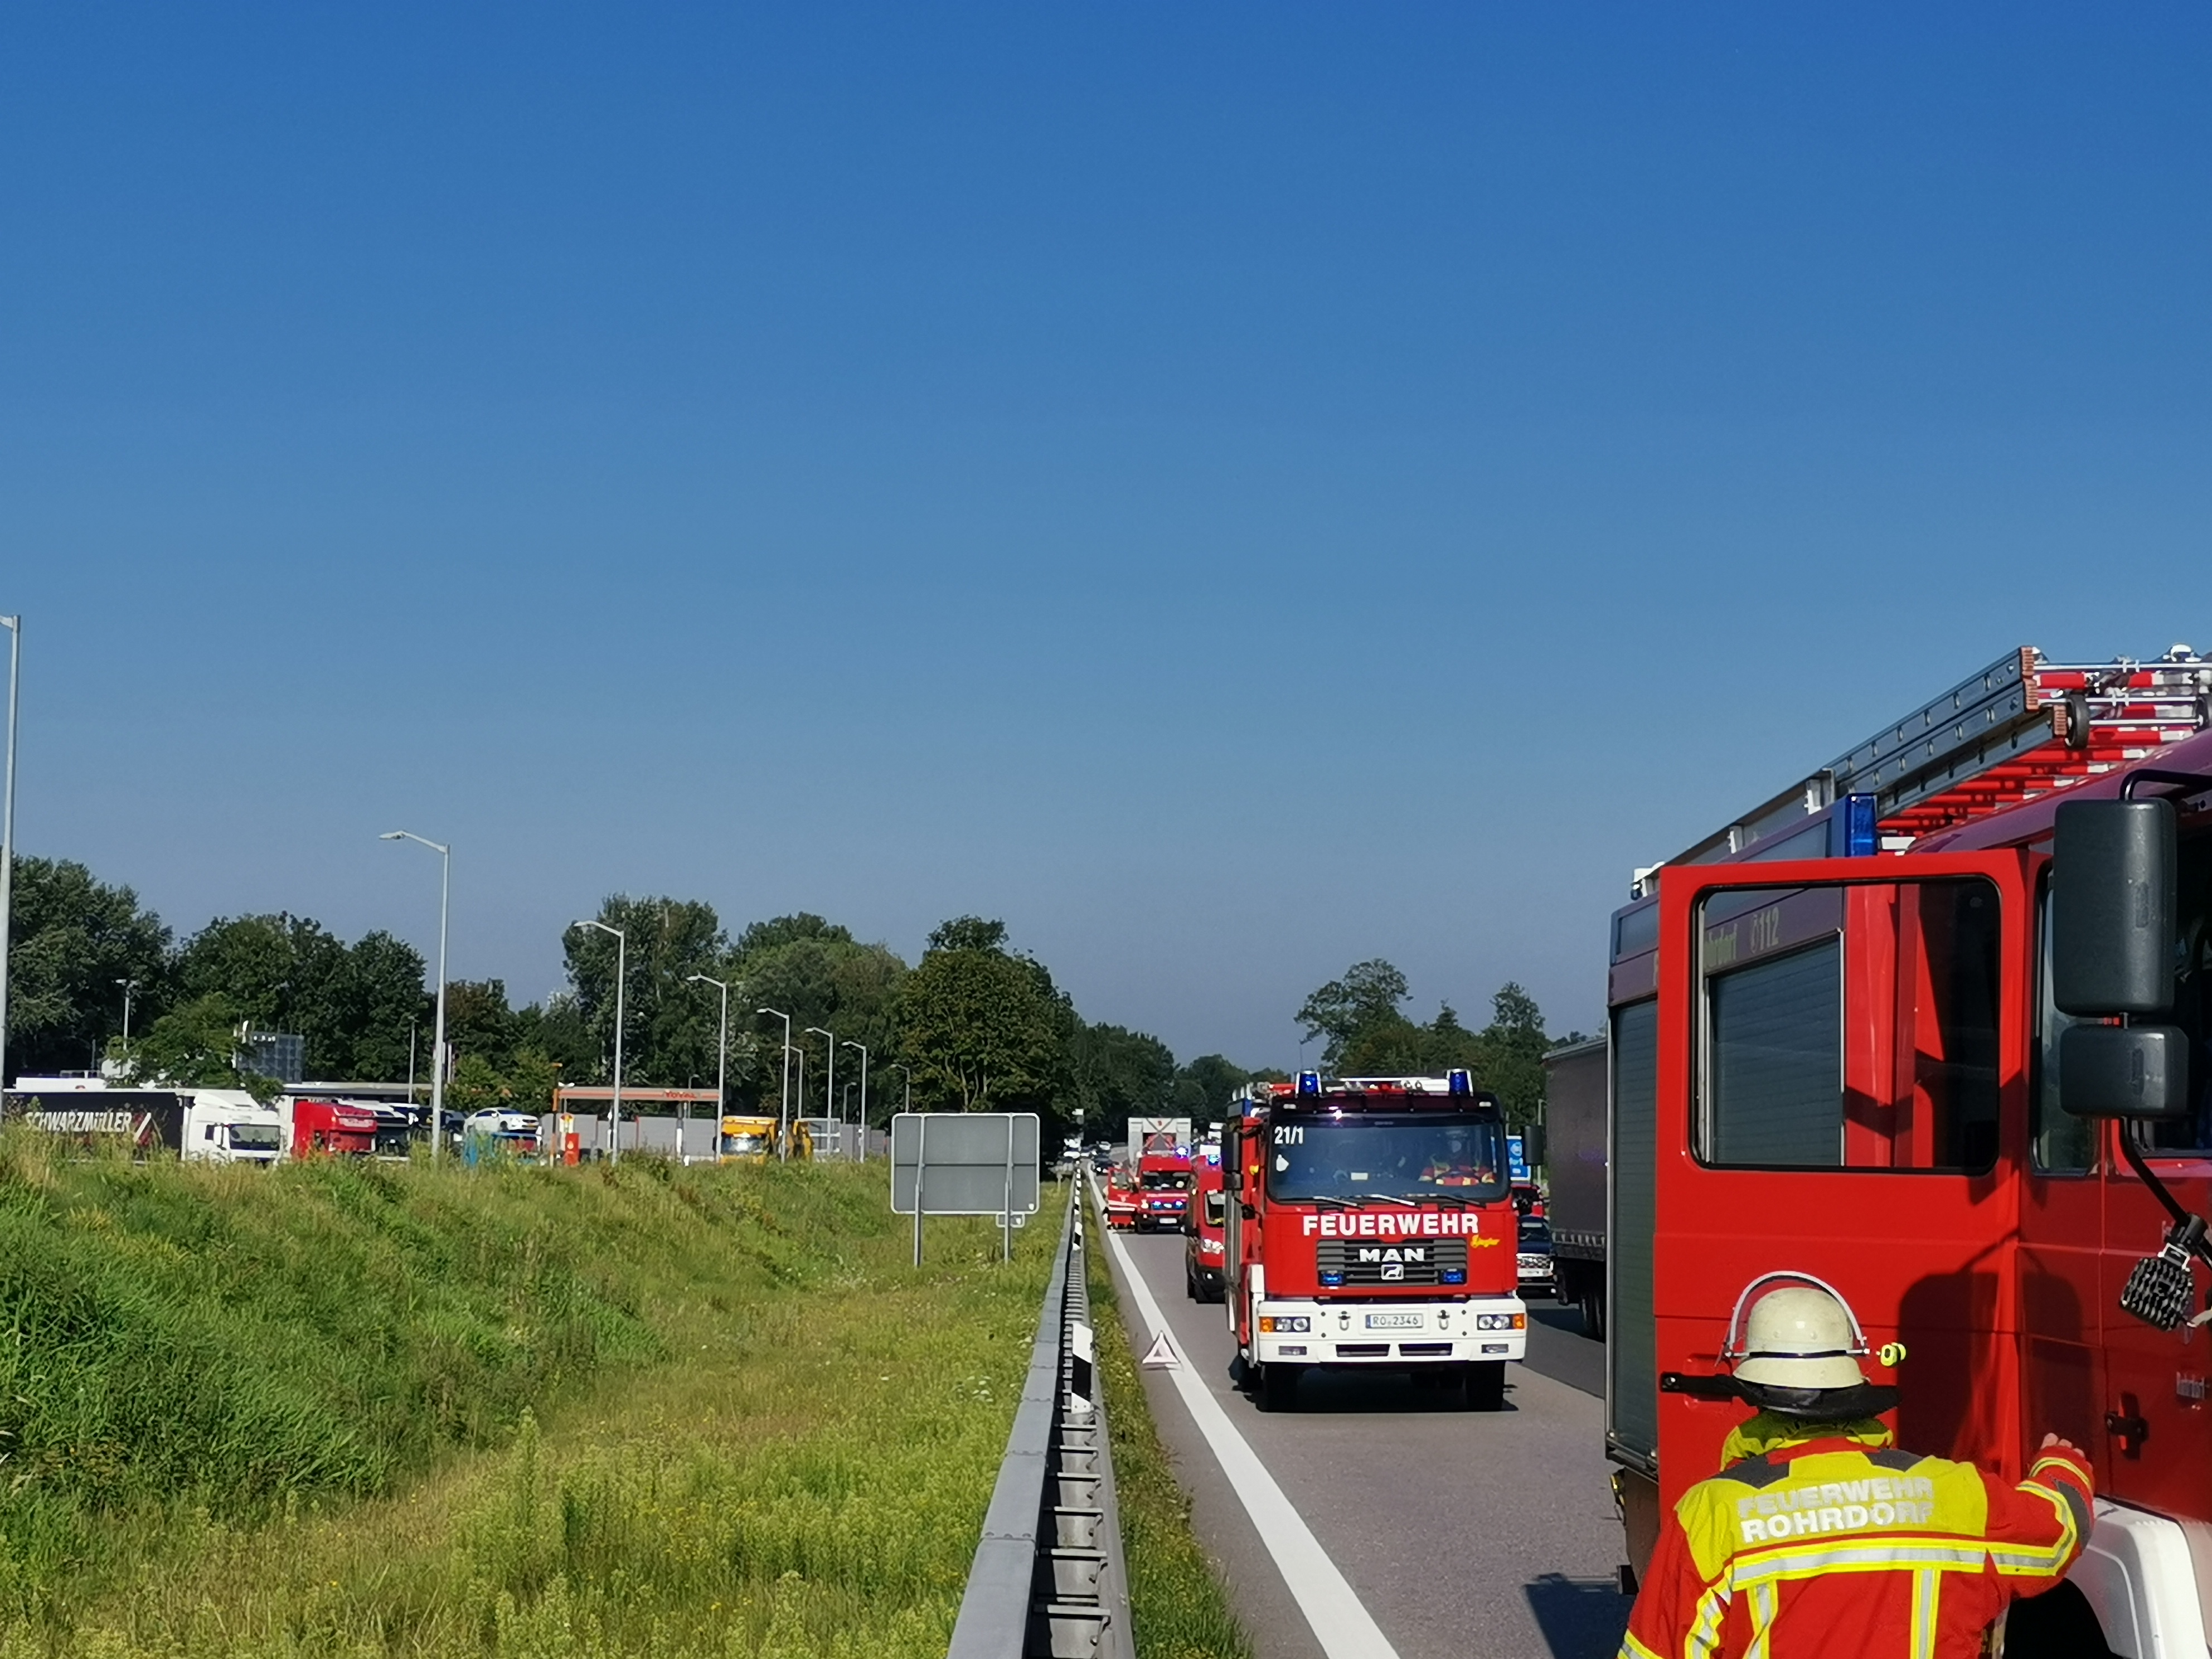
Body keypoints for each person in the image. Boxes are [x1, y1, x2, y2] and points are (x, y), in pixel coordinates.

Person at [1621, 1274, 2093, 1659]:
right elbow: (2059, 1531)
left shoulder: (1714, 1513)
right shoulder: (1954, 1494)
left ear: (1754, 1398)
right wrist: (2061, 1464)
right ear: (1856, 1389)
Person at [1420, 1126, 1494, 1187]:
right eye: (1450, 1139)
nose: (1454, 1143)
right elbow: (1424, 1186)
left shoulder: (1473, 1163)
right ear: (1444, 1141)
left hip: (1470, 1199)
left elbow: (1490, 1185)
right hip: (1442, 1198)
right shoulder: (1434, 1162)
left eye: (1458, 1138)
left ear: (1464, 1141)